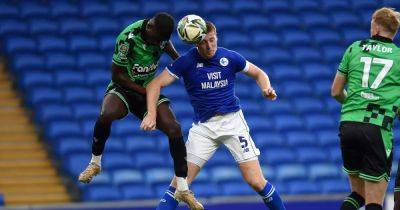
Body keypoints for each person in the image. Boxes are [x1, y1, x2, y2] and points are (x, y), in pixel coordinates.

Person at [141, 21, 286, 210]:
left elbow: (259, 73)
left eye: (212, 40)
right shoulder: (186, 62)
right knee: (179, 185)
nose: (209, 46)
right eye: (203, 42)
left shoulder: (230, 57)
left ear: (216, 36)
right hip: (204, 128)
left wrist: (266, 88)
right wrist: (151, 114)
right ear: (195, 41)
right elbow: (154, 85)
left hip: (233, 123)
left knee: (256, 181)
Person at [78, 12, 202, 209]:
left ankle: (183, 188)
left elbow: (167, 45)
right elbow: (117, 75)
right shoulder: (128, 39)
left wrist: (180, 61)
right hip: (124, 88)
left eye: (163, 41)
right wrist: (147, 92)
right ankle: (95, 163)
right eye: (158, 39)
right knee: (106, 114)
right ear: (150, 28)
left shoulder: (160, 37)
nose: (159, 43)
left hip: (148, 90)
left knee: (174, 128)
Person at [330, 7, 400, 210]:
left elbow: (335, 91)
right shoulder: (398, 56)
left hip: (349, 124)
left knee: (357, 194)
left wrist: (355, 105)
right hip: (376, 128)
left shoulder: (354, 48)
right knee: (374, 202)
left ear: (376, 27)